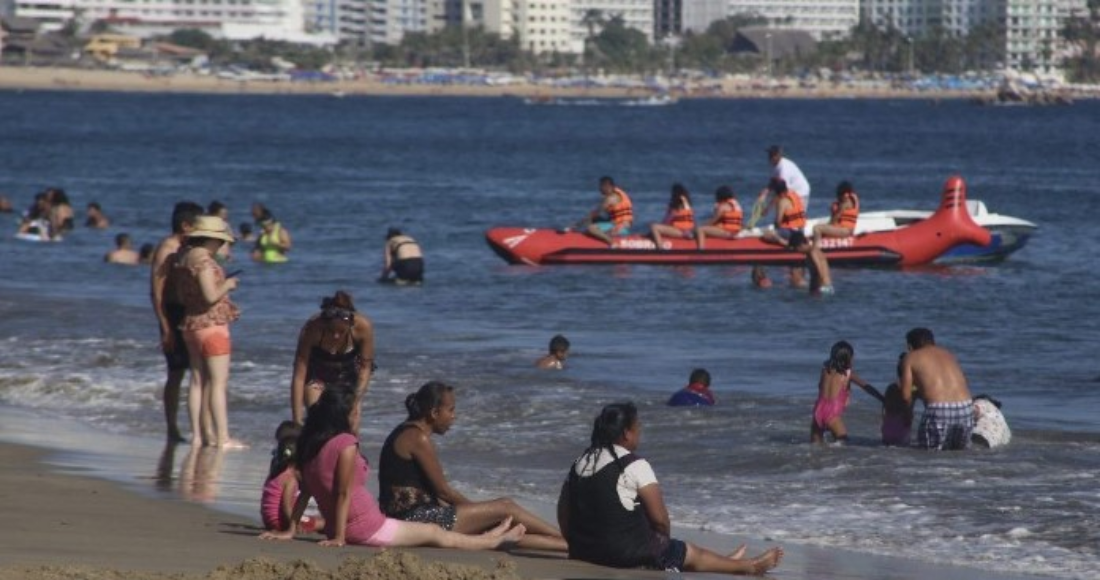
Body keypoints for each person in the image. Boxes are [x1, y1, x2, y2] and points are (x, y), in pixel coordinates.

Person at [260, 387, 527, 549]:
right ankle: (494, 540)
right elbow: (342, 493)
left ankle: (491, 535)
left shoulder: (311, 445)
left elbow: (306, 491)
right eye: (356, 410)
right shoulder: (346, 443)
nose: (358, 414)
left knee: (435, 533)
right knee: (437, 534)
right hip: (366, 527)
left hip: (351, 525)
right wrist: (340, 536)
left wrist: (290, 529)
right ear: (345, 413)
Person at [557, 402, 782, 575]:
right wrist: (661, 545)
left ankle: (728, 562)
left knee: (682, 554)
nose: (640, 432)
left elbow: (563, 513)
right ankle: (748, 566)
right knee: (686, 551)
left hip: (584, 552)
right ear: (626, 433)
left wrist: (579, 544)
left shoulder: (580, 462)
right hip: (623, 556)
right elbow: (661, 520)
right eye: (638, 427)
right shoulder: (633, 464)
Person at [378, 382, 568, 551]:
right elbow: (444, 492)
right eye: (451, 410)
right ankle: (567, 538)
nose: (454, 416)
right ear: (434, 413)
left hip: (406, 518)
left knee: (494, 530)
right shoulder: (417, 438)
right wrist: (480, 510)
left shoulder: (406, 431)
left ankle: (568, 546)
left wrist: (480, 515)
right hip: (416, 519)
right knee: (505, 506)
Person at [173, 215, 244, 448]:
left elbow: (183, 296)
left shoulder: (184, 259)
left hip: (191, 324)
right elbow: (210, 296)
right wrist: (228, 285)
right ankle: (222, 437)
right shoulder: (204, 261)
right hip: (212, 326)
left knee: (196, 381)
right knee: (217, 383)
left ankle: (198, 435)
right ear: (213, 239)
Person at [150, 201, 204, 442]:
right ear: (185, 225)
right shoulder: (167, 249)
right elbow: (157, 291)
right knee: (176, 373)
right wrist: (165, 326)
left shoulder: (187, 248)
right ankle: (172, 428)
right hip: (172, 313)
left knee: (198, 372)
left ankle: (200, 429)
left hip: (190, 312)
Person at [289, 290, 375, 425]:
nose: (336, 336)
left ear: (351, 324)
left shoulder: (363, 327)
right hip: (317, 375)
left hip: (348, 375)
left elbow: (365, 368)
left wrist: (355, 400)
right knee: (317, 419)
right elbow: (299, 376)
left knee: (350, 425)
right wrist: (296, 419)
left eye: (341, 332)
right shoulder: (312, 329)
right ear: (324, 323)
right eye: (331, 331)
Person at [899, 328, 975, 451]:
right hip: (966, 407)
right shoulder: (948, 354)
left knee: (929, 455)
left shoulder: (910, 358)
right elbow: (965, 381)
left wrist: (907, 415)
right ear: (933, 341)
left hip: (938, 410)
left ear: (909, 346)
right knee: (959, 454)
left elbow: (905, 396)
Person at [810, 341, 878, 445]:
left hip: (818, 411)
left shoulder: (825, 369)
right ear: (848, 358)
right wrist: (883, 399)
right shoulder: (848, 374)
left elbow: (820, 386)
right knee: (844, 445)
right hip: (832, 414)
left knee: (814, 447)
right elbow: (866, 387)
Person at [262, 421, 324, 534]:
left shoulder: (274, 473)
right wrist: (294, 526)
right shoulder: (290, 479)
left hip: (269, 520)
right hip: (280, 521)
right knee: (323, 523)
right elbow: (286, 507)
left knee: (312, 518)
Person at [806, 181, 860, 294]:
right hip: (842, 229)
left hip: (845, 230)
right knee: (820, 229)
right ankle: (817, 244)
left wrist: (825, 228)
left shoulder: (846, 203)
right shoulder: (850, 200)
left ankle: (815, 250)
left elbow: (834, 220)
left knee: (817, 228)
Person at [758, 179, 811, 289]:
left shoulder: (783, 201)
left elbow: (778, 222)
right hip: (800, 231)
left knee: (766, 234)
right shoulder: (794, 194)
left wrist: (775, 230)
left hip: (789, 232)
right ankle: (791, 241)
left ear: (779, 192)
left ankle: (784, 242)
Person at [582, 176, 633, 247]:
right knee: (595, 219)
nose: (599, 189)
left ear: (606, 186)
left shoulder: (610, 199)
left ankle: (612, 242)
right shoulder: (617, 194)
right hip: (618, 224)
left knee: (591, 228)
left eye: (601, 186)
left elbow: (595, 213)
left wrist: (574, 226)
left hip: (620, 228)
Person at [760, 145, 810, 210]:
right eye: (770, 155)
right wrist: (765, 192)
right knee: (781, 206)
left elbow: (780, 193)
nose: (770, 157)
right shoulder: (776, 165)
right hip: (790, 191)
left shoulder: (784, 169)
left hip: (801, 193)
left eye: (773, 155)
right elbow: (773, 182)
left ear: (779, 156)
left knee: (795, 214)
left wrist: (767, 208)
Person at [695, 185, 743, 250]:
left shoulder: (723, 206)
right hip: (735, 231)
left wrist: (700, 226)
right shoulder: (736, 205)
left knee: (700, 229)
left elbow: (712, 222)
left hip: (729, 233)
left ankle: (701, 250)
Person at [650, 183, 695, 250]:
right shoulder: (687, 205)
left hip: (681, 232)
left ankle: (660, 248)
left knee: (654, 227)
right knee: (656, 228)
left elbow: (666, 221)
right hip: (688, 232)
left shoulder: (675, 207)